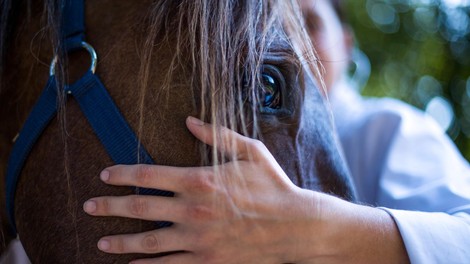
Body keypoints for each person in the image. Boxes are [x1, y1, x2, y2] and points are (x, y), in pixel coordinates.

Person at [3, 0, 470, 263]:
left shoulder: (383, 128)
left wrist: (312, 229)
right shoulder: (210, 111)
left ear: (347, 43)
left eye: (308, 24)